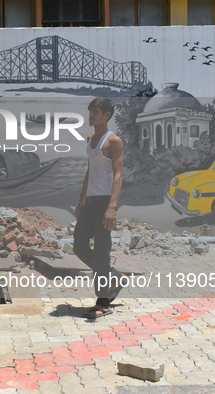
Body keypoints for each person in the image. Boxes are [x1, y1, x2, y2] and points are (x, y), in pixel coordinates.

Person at [74, 97, 125, 319]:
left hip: (105, 202)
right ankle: (114, 275)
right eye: (90, 111)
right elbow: (90, 170)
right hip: (91, 202)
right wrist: (81, 199)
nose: (91, 115)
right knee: (79, 246)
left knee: (102, 253)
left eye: (96, 111)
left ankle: (103, 301)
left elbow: (118, 175)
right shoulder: (89, 138)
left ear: (107, 115)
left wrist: (112, 207)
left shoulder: (113, 141)